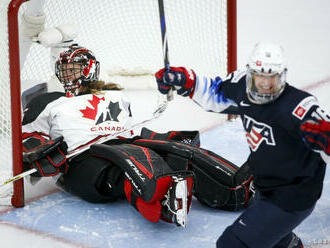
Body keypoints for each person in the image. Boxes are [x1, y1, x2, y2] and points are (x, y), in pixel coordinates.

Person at [21, 44, 255, 228]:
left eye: (73, 69)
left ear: (89, 69)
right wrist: (38, 152)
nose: (68, 75)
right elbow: (29, 135)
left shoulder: (114, 97)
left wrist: (165, 141)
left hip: (124, 145)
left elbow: (130, 133)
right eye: (64, 70)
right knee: (131, 156)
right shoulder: (48, 100)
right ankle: (164, 200)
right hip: (82, 161)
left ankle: (238, 188)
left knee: (179, 154)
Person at [155, 42, 330, 247]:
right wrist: (186, 81)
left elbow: (324, 136)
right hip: (265, 185)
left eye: (272, 77)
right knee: (272, 236)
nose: (265, 84)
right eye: (260, 76)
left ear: (282, 76)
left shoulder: (299, 107)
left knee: (232, 244)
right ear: (250, 74)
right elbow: (215, 94)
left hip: (292, 196)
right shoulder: (240, 86)